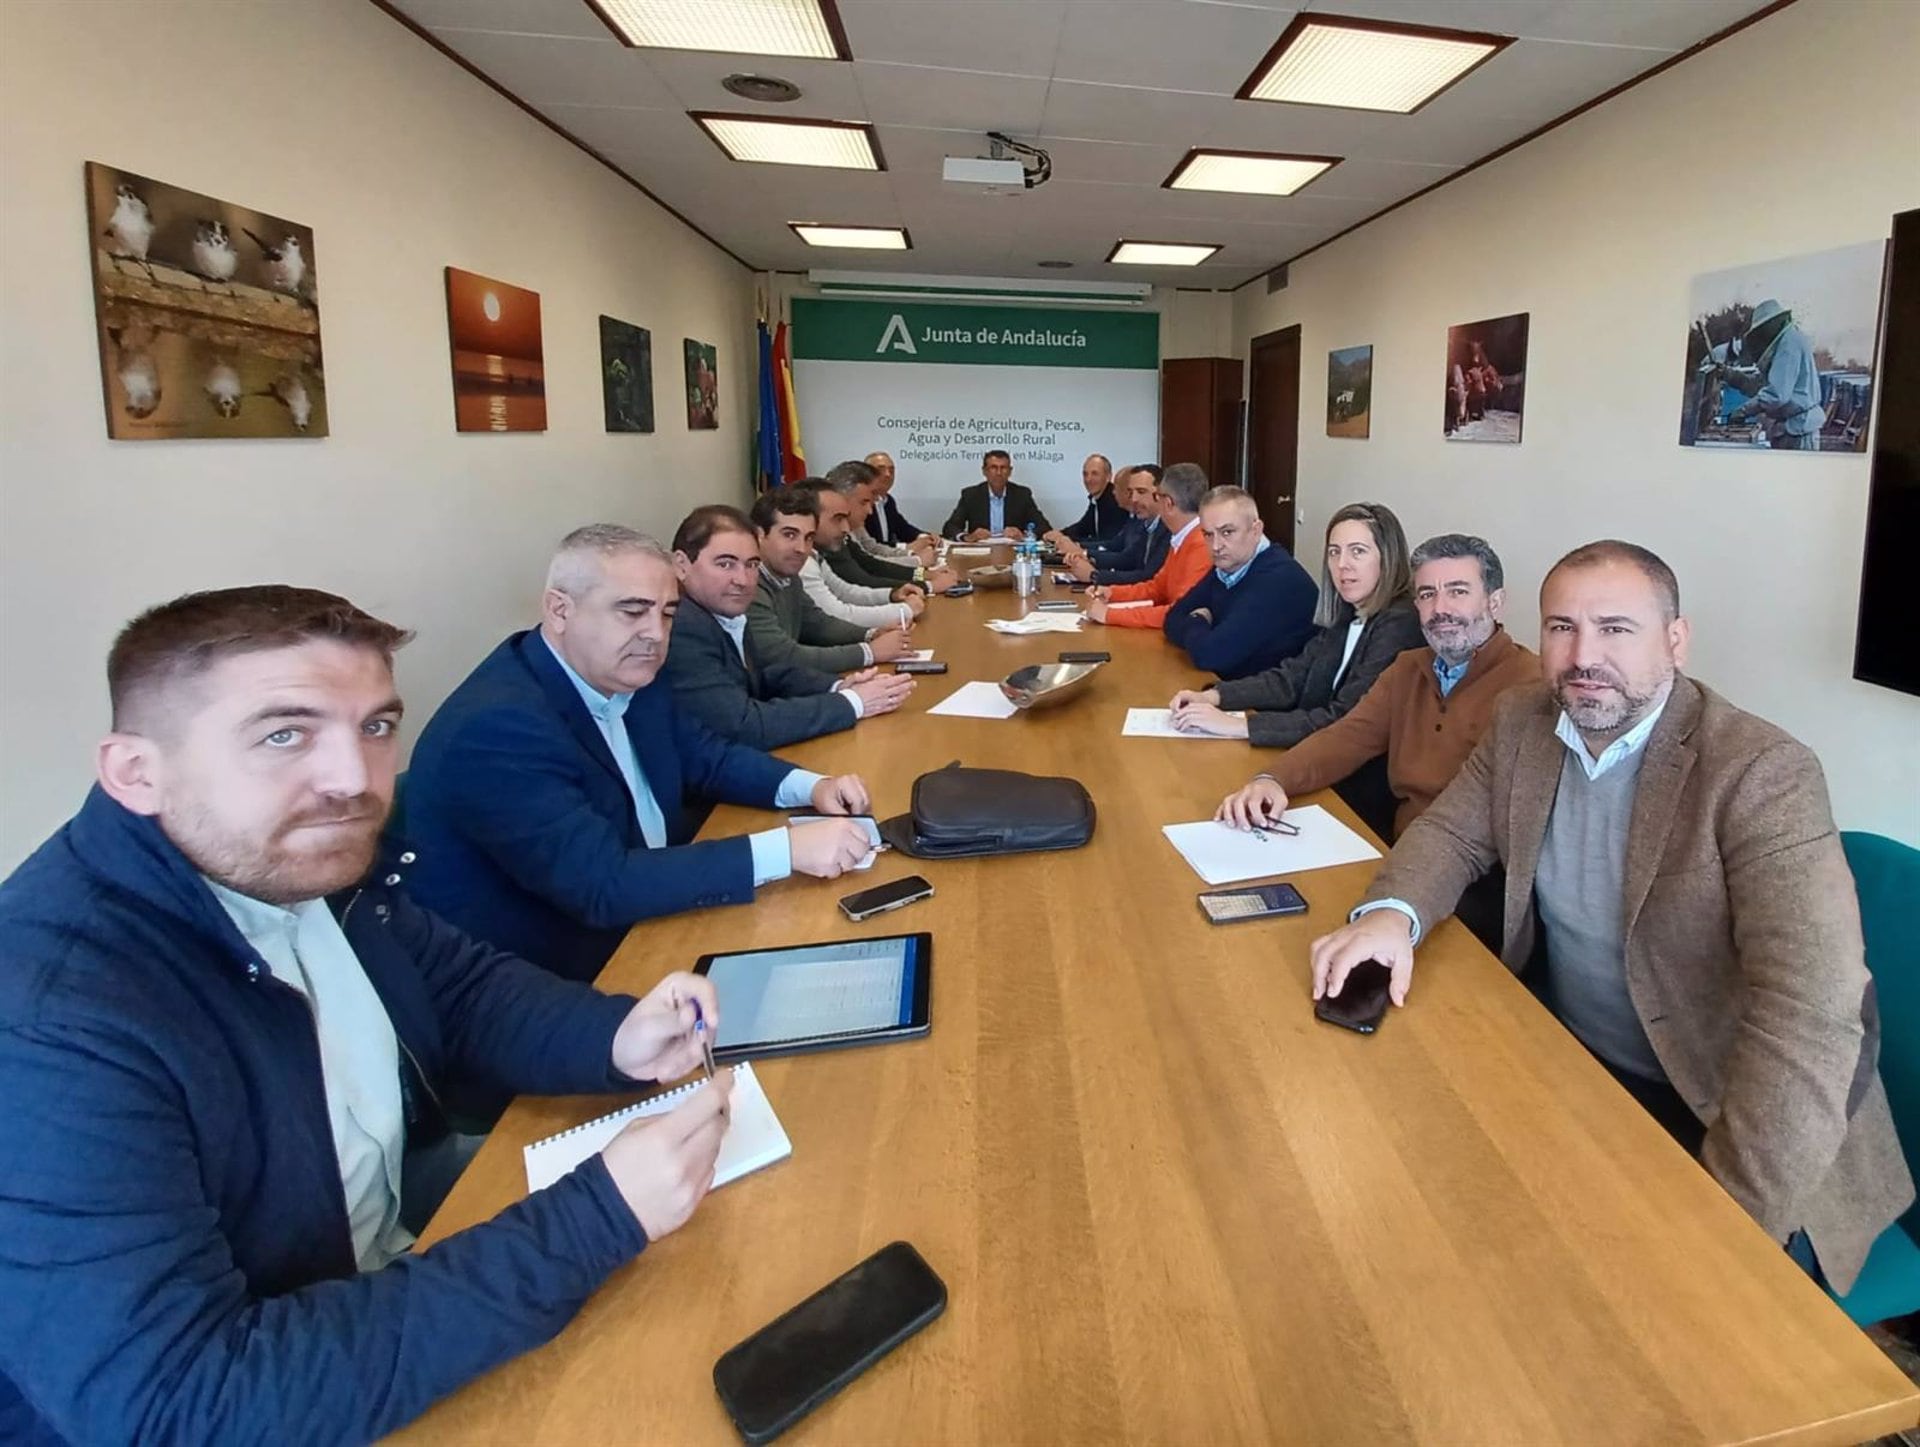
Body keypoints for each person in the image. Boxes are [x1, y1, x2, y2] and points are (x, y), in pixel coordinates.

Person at [0, 585, 740, 1443]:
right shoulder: (51, 1024)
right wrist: (595, 1218)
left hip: (380, 1248)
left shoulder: (294, 855)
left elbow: (458, 987)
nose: (353, 780)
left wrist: (613, 1034)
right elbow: (183, 1404)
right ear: (136, 772)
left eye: (376, 727)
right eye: (283, 735)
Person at [1305, 541, 1911, 1296]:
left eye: (1616, 629)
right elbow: (1453, 832)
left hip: (1730, 1117)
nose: (1583, 655)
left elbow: (1811, 1017)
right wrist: (1391, 914)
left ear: (1676, 640)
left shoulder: (1761, 772)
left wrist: (1724, 1216)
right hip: (1574, 1069)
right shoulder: (1525, 718)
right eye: (1561, 627)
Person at [403, 526, 877, 982]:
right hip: (564, 973)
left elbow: (706, 756)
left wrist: (812, 785)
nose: (655, 633)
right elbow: (602, 884)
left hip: (655, 916)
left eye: (667, 613)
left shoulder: (626, 670)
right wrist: (786, 849)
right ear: (559, 610)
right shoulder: (497, 728)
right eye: (632, 611)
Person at [1214, 532, 1535, 845]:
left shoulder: (1530, 686)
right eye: (1427, 594)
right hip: (1396, 848)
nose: (1440, 609)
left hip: (1465, 874)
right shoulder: (1409, 668)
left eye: (1458, 591)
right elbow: (1348, 736)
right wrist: (1273, 779)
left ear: (1495, 603)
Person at [661, 504, 913, 749]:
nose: (743, 580)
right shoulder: (681, 626)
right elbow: (744, 725)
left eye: (751, 565)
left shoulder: (721, 608)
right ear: (681, 565)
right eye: (725, 564)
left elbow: (765, 676)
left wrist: (837, 686)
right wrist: (852, 702)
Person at [1169, 501, 1422, 743]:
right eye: (1334, 552)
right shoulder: (1348, 614)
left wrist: (1239, 726)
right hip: (1315, 752)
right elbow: (1290, 679)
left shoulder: (1399, 624)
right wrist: (1213, 696)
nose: (1342, 565)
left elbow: (1344, 719)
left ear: (1387, 557)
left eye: (1358, 551)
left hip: (1349, 778)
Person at [748, 488, 916, 674]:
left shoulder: (788, 576)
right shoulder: (747, 587)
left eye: (809, 537)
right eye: (789, 535)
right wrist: (869, 652)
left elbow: (818, 623)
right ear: (759, 535)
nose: (801, 548)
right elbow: (783, 657)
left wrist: (871, 634)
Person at [1160, 485, 1318, 680]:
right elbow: (1172, 620)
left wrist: (1198, 620)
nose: (1216, 546)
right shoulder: (1227, 567)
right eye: (1208, 535)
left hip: (1270, 702)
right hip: (1232, 686)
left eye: (1227, 532)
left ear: (1256, 530)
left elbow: (1210, 655)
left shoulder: (1278, 580)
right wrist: (1203, 632)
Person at [1084, 462, 1211, 630]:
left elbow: (1179, 612)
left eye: (1157, 496)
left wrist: (1109, 614)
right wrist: (1112, 593)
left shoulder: (1200, 544)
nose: (1134, 499)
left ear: (1168, 503)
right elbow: (1156, 588)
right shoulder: (1181, 538)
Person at [796, 476, 923, 633]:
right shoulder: (800, 561)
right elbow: (838, 615)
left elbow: (845, 591)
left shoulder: (815, 553)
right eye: (838, 519)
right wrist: (905, 609)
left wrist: (893, 594)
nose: (845, 528)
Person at [1726, 299, 1826, 449]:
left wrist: (1742, 411)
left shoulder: (1789, 343)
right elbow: (1763, 385)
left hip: (1799, 430)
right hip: (1793, 428)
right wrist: (1733, 376)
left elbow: (1776, 394)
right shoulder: (1789, 341)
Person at [817, 461, 927, 591]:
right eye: (864, 502)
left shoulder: (849, 528)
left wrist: (921, 575)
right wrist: (925, 581)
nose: (870, 511)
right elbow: (863, 578)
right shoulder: (828, 538)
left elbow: (870, 563)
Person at [1067, 463, 1168, 584]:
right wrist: (1086, 555)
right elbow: (1129, 558)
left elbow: (1148, 577)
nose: (1134, 499)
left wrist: (1095, 576)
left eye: (1141, 492)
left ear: (1161, 494)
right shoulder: (1146, 524)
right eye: (1131, 492)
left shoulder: (1168, 528)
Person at [943, 449, 1052, 540]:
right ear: (984, 471)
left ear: (1010, 471)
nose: (999, 473)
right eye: (994, 468)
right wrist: (968, 537)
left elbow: (1043, 527)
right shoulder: (971, 495)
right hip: (981, 552)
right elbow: (950, 527)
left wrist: (1024, 535)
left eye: (1003, 468)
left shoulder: (1022, 494)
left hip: (1013, 551)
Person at [860, 451, 937, 564]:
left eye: (892, 470)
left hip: (889, 566)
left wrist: (926, 537)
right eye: (881, 469)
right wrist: (911, 552)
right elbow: (870, 550)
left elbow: (902, 527)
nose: (888, 474)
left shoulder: (888, 500)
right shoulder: (858, 506)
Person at [1044, 453, 1127, 555]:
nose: (1088, 479)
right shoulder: (1096, 499)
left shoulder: (1115, 501)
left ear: (1108, 476)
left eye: (1094, 474)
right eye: (1085, 474)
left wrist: (1073, 543)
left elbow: (1108, 540)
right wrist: (1060, 535)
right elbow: (1082, 527)